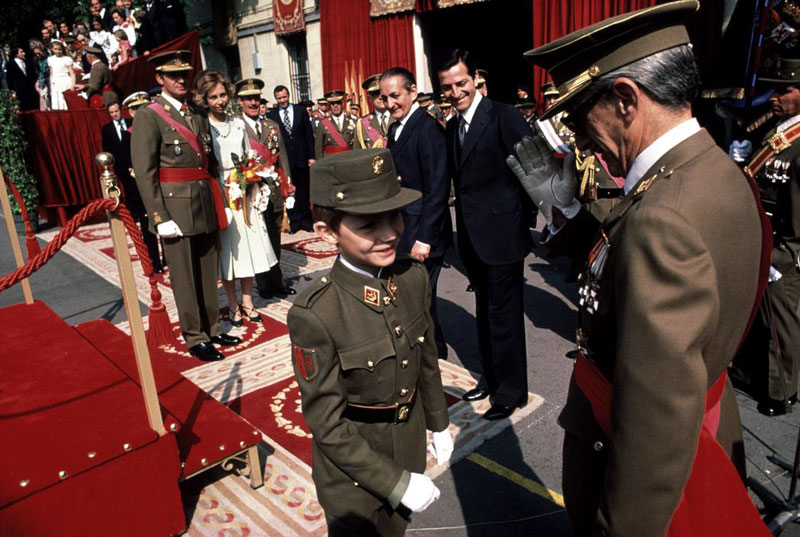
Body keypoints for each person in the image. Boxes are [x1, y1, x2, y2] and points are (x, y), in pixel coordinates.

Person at [514, 2, 769, 535]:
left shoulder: (664, 215)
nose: (578, 137)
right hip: (704, 431)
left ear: (626, 100)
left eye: (582, 113)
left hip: (649, 474)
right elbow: (632, 258)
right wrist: (563, 216)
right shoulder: (713, 169)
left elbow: (652, 424)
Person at [287, 148, 452, 536]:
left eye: (394, 215)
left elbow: (426, 358)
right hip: (353, 473)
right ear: (327, 232)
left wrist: (439, 422)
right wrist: (398, 483)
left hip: (408, 444)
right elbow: (326, 424)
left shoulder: (412, 278)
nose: (391, 233)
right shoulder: (317, 313)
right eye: (368, 224)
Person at [438, 48, 532, 420]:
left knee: (504, 317)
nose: (455, 92)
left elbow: (532, 168)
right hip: (472, 238)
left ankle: (511, 392)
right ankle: (491, 380)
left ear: (474, 81)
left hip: (503, 235)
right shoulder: (451, 126)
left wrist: (519, 220)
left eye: (461, 83)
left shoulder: (504, 115)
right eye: (448, 87)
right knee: (484, 313)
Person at [131, 50, 241, 361]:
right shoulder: (149, 115)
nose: (181, 79)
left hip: (204, 201)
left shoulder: (196, 112)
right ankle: (194, 336)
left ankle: (213, 327)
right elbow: (145, 171)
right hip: (174, 208)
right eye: (173, 75)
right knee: (185, 275)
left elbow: (209, 162)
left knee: (207, 271)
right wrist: (159, 216)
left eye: (184, 74)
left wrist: (220, 200)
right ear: (159, 79)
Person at [731, 57, 800, 416]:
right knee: (753, 312)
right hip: (758, 239)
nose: (775, 97)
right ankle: (746, 372)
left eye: (785, 89)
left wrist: (783, 258)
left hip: (783, 250)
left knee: (779, 319)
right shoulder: (772, 131)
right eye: (774, 88)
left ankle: (781, 389)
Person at [196, 70, 279, 327]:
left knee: (247, 248)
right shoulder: (204, 127)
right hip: (220, 192)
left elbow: (247, 157)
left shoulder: (239, 124)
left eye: (222, 95)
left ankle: (248, 302)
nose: (220, 101)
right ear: (205, 100)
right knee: (229, 253)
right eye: (213, 97)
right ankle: (232, 305)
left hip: (243, 191)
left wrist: (253, 181)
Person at [381, 66, 452, 361]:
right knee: (414, 295)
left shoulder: (427, 127)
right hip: (404, 225)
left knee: (420, 297)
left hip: (425, 230)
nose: (390, 103)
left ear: (412, 92)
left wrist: (425, 237)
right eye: (385, 98)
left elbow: (437, 187)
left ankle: (433, 355)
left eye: (395, 95)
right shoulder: (396, 127)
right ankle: (429, 350)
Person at [235, 77, 296, 299]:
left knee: (274, 236)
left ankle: (277, 281)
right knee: (259, 239)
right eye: (247, 99)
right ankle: (265, 285)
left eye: (256, 98)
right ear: (240, 101)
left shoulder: (271, 126)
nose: (252, 102)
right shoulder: (235, 126)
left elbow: (283, 160)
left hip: (274, 190)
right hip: (251, 192)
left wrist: (287, 186)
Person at [102, 97, 162, 272]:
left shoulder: (150, 129)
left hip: (157, 181)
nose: (138, 112)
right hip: (137, 182)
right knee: (146, 223)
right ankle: (154, 262)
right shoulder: (128, 134)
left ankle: (167, 259)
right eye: (134, 109)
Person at [268, 84, 316, 232]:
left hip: (301, 158)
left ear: (288, 96)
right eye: (279, 98)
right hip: (285, 161)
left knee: (303, 190)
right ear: (275, 99)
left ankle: (306, 220)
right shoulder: (272, 115)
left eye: (284, 97)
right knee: (288, 191)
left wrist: (311, 156)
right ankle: (294, 221)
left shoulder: (300, 111)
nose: (282, 101)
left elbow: (308, 135)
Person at [315, 90, 356, 158]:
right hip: (330, 161)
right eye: (332, 103)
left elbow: (356, 145)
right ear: (329, 105)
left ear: (342, 103)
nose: (335, 106)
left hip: (349, 160)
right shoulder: (323, 123)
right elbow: (318, 148)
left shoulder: (353, 121)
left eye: (338, 103)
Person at [355, 74, 390, 149]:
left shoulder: (400, 117)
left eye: (382, 92)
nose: (380, 97)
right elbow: (357, 155)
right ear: (370, 98)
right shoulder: (362, 124)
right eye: (375, 94)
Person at [6, 45, 39, 111]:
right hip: (20, 92)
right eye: (21, 52)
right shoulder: (10, 64)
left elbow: (33, 76)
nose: (24, 53)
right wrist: (12, 91)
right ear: (16, 54)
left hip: (30, 91)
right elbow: (9, 79)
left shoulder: (27, 62)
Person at [47, 40, 75, 110]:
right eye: (55, 49)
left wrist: (73, 84)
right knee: (57, 100)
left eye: (59, 49)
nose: (58, 51)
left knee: (65, 101)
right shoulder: (50, 59)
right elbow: (51, 73)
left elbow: (72, 73)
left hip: (65, 81)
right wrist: (51, 85)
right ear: (52, 49)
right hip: (55, 82)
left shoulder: (67, 59)